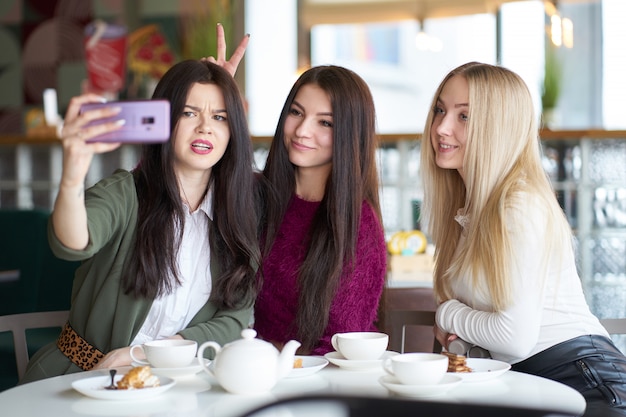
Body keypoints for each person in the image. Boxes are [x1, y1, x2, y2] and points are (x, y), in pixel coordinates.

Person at [21, 58, 261, 382]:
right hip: (80, 378)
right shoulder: (125, 193)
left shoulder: (238, 214)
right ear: (162, 119)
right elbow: (72, 243)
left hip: (170, 387)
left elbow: (234, 320)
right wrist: (72, 173)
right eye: (189, 113)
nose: (205, 127)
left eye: (219, 117)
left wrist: (146, 354)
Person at [424, 61, 626, 416]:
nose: (441, 127)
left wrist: (448, 312)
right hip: (531, 384)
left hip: (585, 383)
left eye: (464, 116)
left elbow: (513, 339)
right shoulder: (468, 212)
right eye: (441, 109)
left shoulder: (518, 206)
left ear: (498, 127)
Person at [252, 65, 388, 355]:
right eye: (296, 113)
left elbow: (342, 344)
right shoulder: (254, 196)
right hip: (248, 373)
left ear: (350, 135)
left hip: (322, 384)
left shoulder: (358, 223)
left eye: (325, 123)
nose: (302, 131)